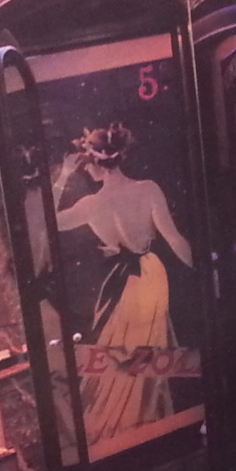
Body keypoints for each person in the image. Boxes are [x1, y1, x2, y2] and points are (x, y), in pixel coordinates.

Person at [52, 124, 195, 451]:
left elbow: (53, 221)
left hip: (125, 279)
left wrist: (62, 175)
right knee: (141, 351)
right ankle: (148, 426)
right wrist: (202, 272)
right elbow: (174, 238)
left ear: (94, 162)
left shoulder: (91, 204)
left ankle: (143, 428)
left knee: (129, 354)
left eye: (85, 164)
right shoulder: (148, 190)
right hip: (150, 274)